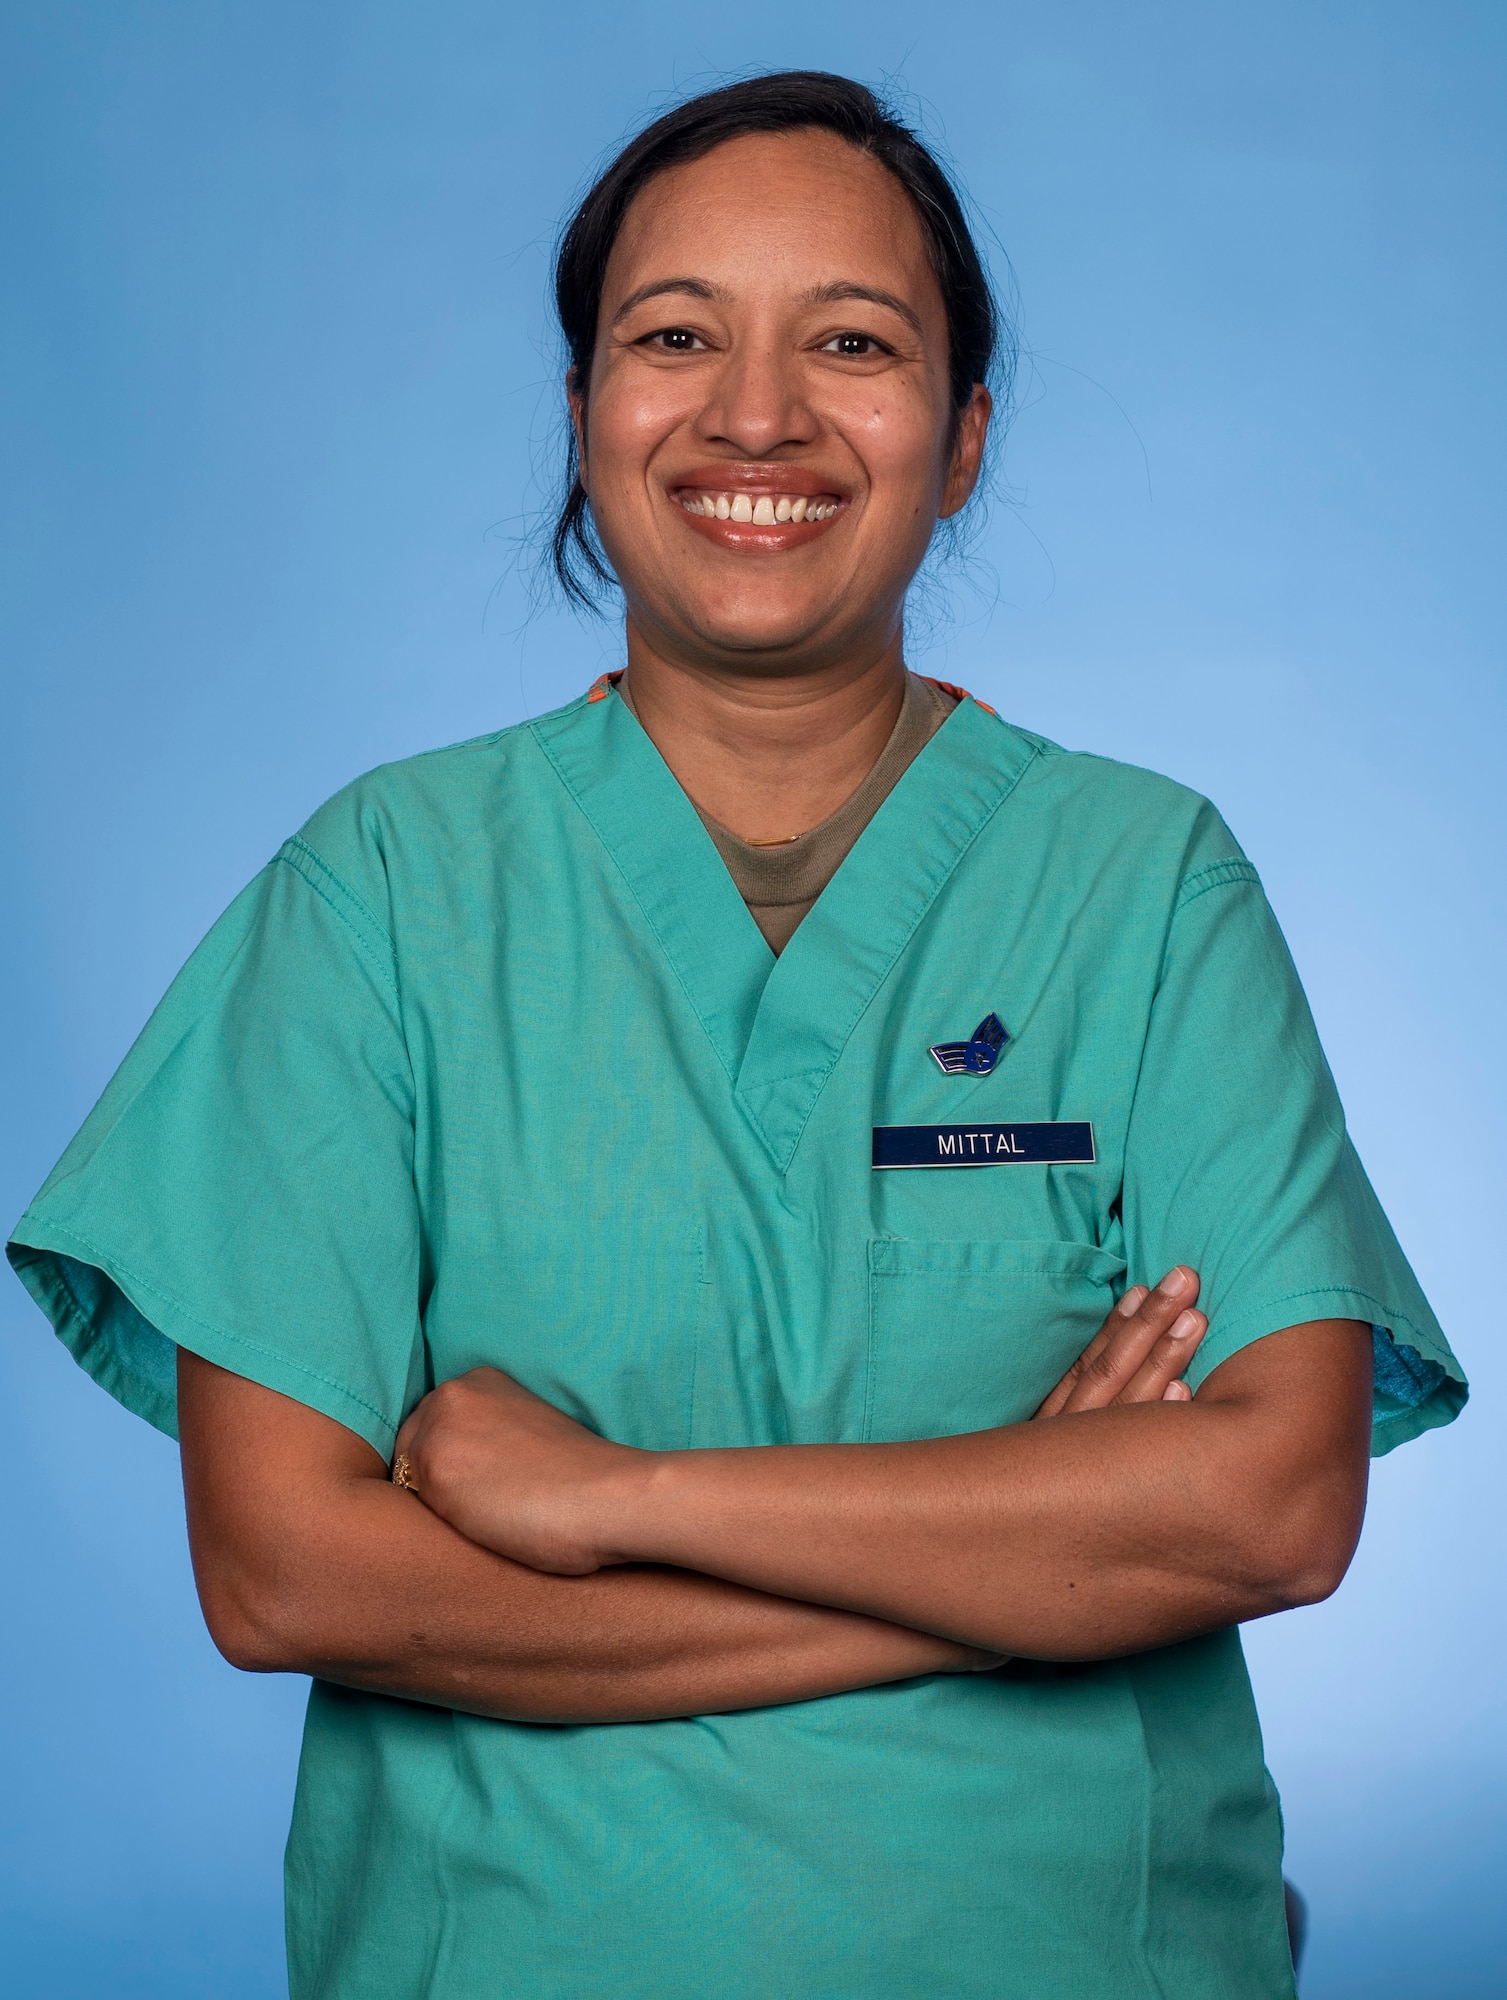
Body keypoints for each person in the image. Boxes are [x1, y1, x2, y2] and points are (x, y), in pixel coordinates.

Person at [8, 71, 1464, 2000]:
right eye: (674, 335)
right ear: (587, 417)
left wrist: (613, 1501)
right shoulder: (381, 896)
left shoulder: (1144, 886)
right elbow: (290, 1575)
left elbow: (1272, 1507)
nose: (756, 414)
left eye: (852, 345)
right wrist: (1006, 1577)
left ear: (961, 441)